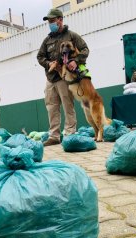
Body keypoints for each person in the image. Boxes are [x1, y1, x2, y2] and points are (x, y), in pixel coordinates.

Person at [37, 8, 89, 146]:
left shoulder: (71, 36)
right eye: (49, 22)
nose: (51, 23)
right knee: (51, 107)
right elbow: (40, 56)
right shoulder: (47, 40)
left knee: (68, 106)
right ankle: (54, 136)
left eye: (53, 21)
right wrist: (48, 63)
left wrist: (75, 61)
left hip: (65, 77)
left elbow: (85, 50)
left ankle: (69, 134)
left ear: (60, 20)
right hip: (51, 78)